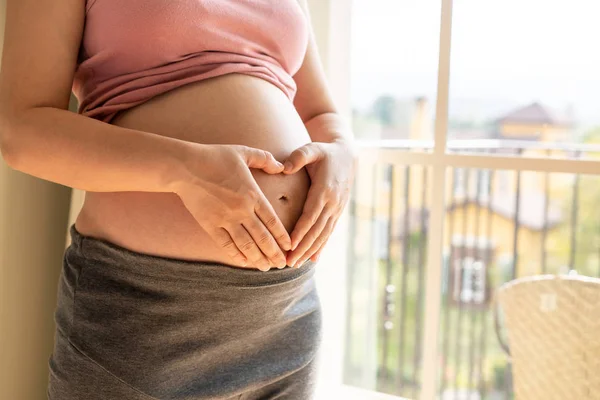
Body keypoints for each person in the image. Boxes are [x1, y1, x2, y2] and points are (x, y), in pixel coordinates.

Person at [0, 0, 357, 399]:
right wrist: (187, 169)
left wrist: (343, 153)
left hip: (286, 314)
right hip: (147, 314)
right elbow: (22, 131)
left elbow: (321, 112)